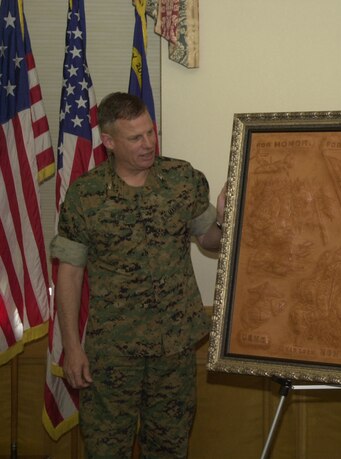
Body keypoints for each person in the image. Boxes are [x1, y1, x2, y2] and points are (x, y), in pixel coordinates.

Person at [51, 92, 226, 457]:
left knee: (168, 449)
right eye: (135, 137)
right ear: (109, 141)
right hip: (113, 353)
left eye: (150, 132)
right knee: (105, 448)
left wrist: (225, 219)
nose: (148, 144)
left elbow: (210, 241)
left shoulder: (182, 180)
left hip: (174, 351)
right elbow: (69, 272)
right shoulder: (86, 196)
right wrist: (71, 345)